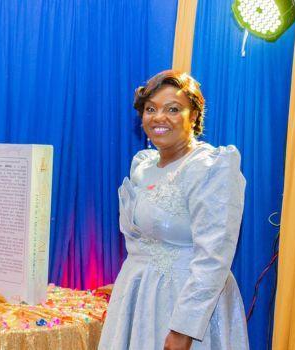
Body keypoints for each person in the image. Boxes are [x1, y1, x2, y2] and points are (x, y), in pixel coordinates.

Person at [99, 70, 249, 349]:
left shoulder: (210, 168)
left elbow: (214, 256)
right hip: (140, 297)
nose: (159, 117)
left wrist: (184, 328)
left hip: (188, 306)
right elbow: (141, 241)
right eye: (150, 109)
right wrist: (128, 282)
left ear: (194, 115)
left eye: (173, 109)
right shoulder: (143, 166)